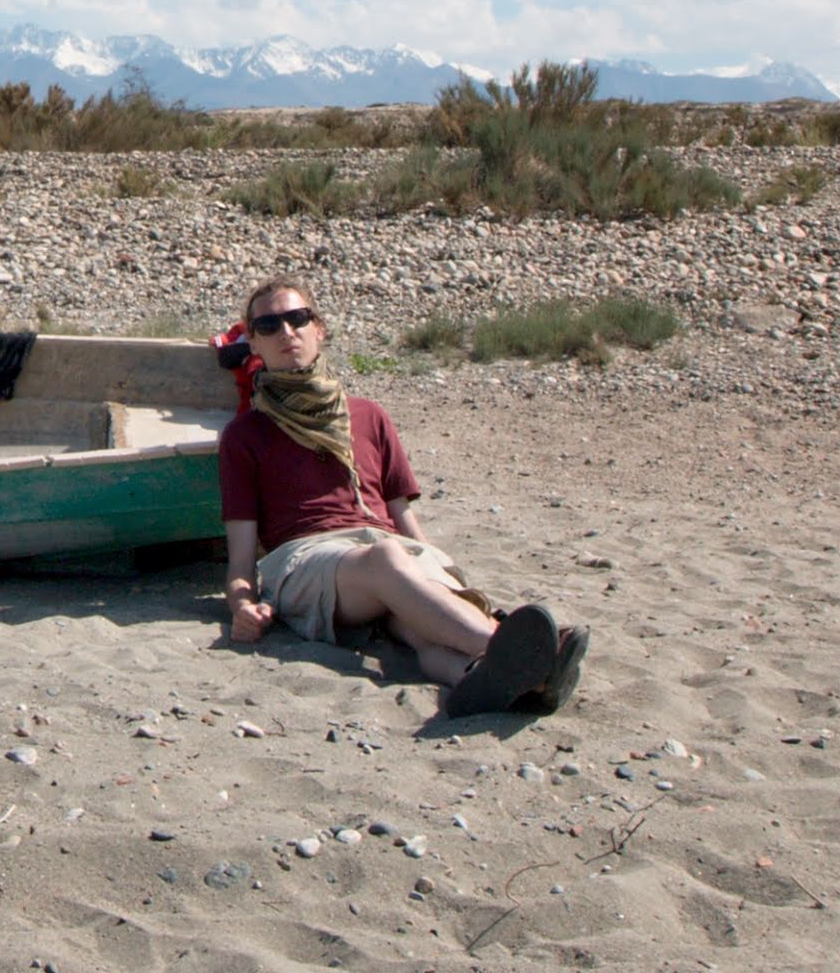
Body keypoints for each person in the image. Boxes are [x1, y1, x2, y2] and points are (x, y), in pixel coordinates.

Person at [213, 276, 587, 716]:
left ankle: (474, 677)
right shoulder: (245, 435)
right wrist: (242, 605)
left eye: (297, 318)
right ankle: (514, 651)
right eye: (270, 325)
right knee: (388, 560)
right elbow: (240, 560)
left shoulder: (369, 416)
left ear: (320, 329)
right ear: (253, 343)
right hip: (307, 561)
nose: (286, 332)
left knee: (419, 628)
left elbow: (402, 518)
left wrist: (441, 574)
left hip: (387, 553)